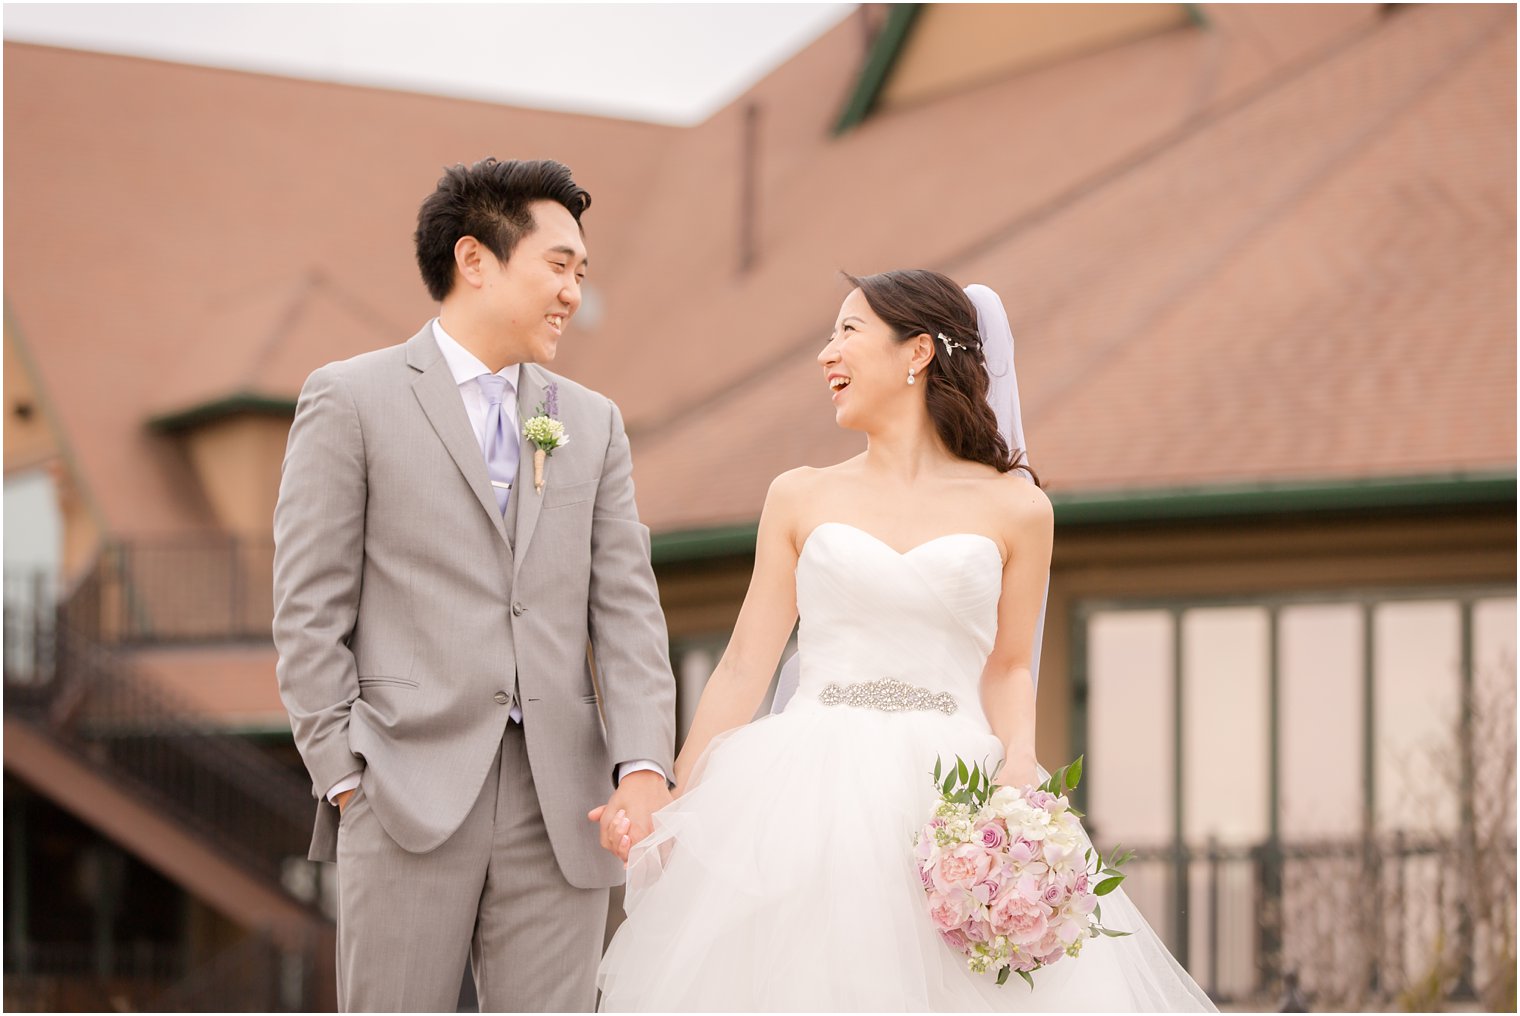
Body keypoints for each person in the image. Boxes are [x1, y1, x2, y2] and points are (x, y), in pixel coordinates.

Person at [595, 269, 1215, 1011]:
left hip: (952, 791)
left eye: (847, 332)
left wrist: (1018, 759)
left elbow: (1011, 665)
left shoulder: (1018, 509)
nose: (827, 354)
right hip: (803, 790)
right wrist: (674, 797)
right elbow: (741, 668)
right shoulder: (799, 494)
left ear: (917, 353)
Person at [274, 158, 677, 1012]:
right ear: (475, 260)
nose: (574, 291)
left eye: (581, 272)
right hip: (403, 786)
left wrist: (642, 763)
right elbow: (309, 610)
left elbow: (629, 611)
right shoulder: (350, 398)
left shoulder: (591, 421)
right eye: (558, 266)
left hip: (564, 805)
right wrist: (344, 776)